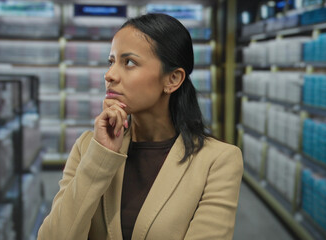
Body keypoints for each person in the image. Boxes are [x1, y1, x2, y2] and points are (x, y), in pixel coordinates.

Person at [38, 13, 243, 240]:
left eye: (130, 62)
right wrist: (100, 157)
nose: (109, 75)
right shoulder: (88, 148)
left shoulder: (218, 161)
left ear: (173, 79)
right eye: (111, 61)